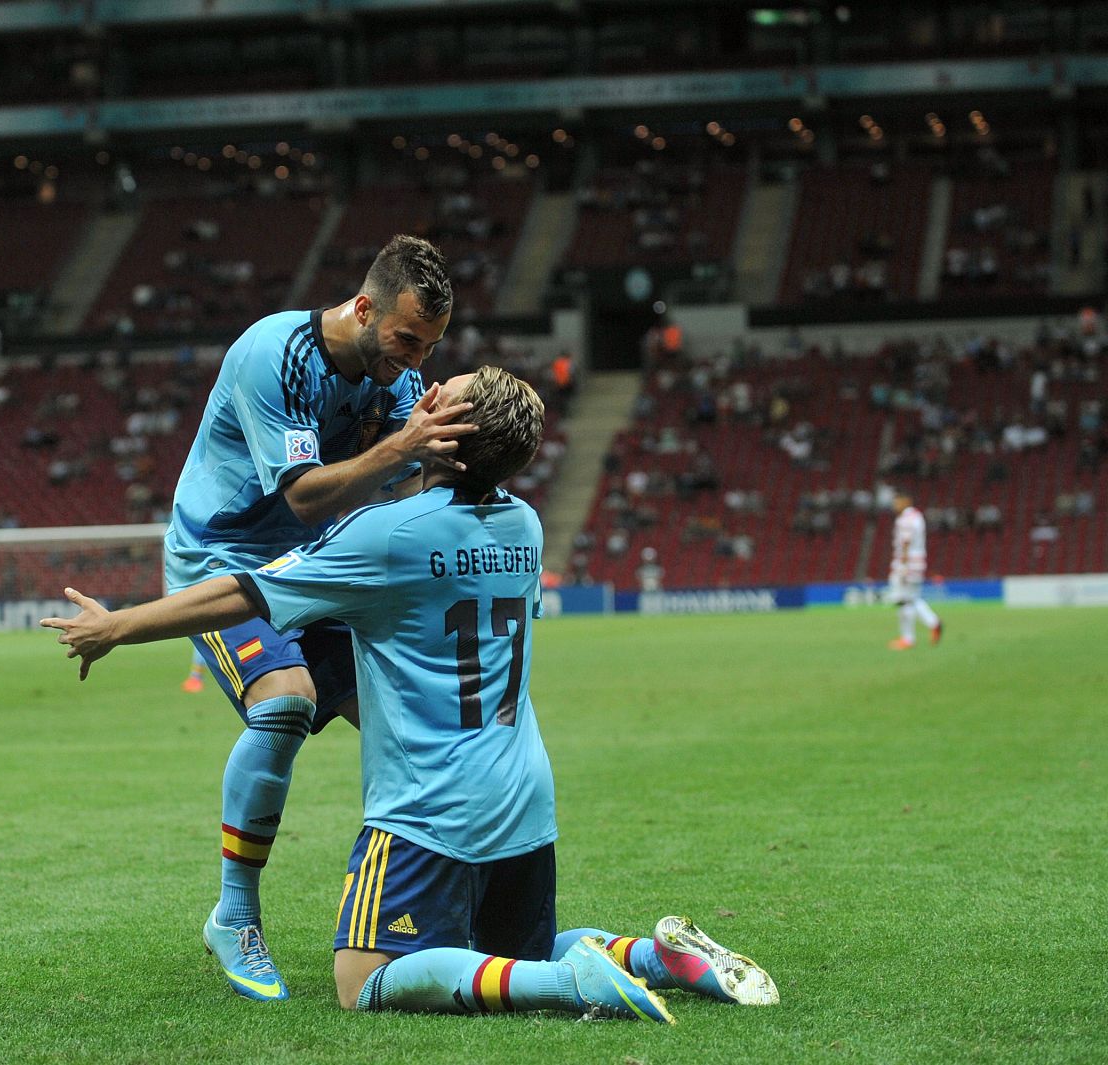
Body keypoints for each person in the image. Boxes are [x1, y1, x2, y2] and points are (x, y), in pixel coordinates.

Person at [44, 367, 777, 1020]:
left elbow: (246, 591)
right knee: (507, 951)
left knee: (364, 978)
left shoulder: (388, 536)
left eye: (439, 398)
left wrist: (121, 625)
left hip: (430, 813)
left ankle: (574, 987)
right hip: (524, 802)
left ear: (448, 439)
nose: (420, 395)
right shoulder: (524, 523)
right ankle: (654, 957)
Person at [158, 235, 473, 1000]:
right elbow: (301, 493)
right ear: (363, 308)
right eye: (404, 340)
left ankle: (437, 914)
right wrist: (402, 445)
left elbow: (404, 483)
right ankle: (234, 915)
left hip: (312, 566)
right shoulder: (276, 353)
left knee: (415, 722)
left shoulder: (397, 380)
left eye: (428, 346)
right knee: (287, 699)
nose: (412, 361)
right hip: (221, 559)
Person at [886, 491, 942, 650]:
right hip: (917, 562)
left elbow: (905, 543)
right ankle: (934, 622)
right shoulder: (918, 516)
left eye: (896, 501)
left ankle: (908, 638)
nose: (894, 505)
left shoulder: (905, 519)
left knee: (903, 600)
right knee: (912, 598)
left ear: (905, 501)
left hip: (907, 564)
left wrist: (903, 566)